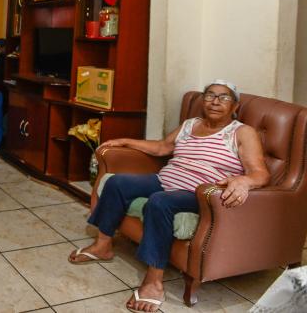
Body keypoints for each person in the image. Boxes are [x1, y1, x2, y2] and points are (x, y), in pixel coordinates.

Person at [68, 80, 270, 313]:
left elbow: (260, 173)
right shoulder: (190, 124)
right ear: (203, 100)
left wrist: (244, 180)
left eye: (223, 97)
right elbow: (163, 148)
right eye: (210, 95)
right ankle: (103, 245)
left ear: (235, 105)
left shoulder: (242, 132)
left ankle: (153, 281)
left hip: (198, 193)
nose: (215, 101)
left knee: (159, 202)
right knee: (117, 181)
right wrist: (125, 140)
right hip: (164, 180)